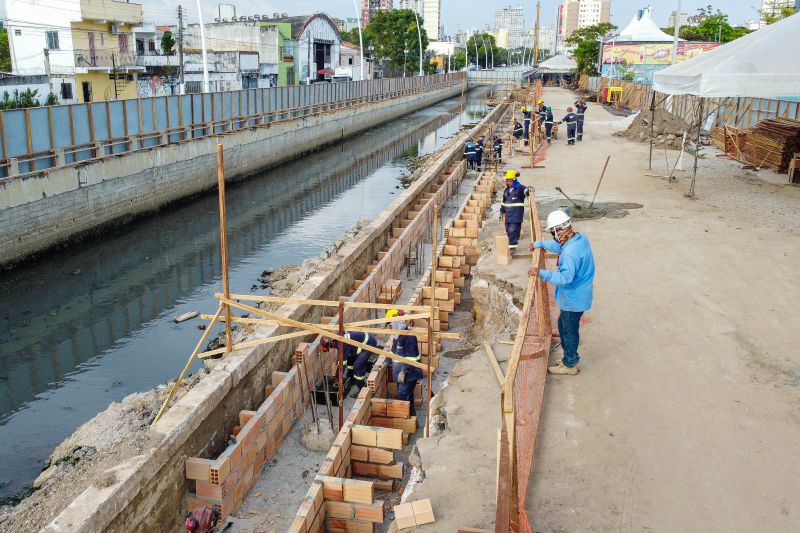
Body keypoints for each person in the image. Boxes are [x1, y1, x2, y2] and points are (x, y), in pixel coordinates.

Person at [528, 210, 595, 375]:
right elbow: (560, 246)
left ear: (559, 230)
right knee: (563, 326)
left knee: (569, 332)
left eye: (553, 232)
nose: (553, 235)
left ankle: (570, 364)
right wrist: (540, 244)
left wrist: (541, 272)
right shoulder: (578, 239)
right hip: (578, 296)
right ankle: (569, 357)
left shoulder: (571, 253)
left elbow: (565, 278)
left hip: (573, 300)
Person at [386, 309, 422, 415]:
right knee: (406, 395)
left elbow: (411, 359)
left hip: (409, 374)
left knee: (404, 396)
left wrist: (403, 371)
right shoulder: (397, 337)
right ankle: (411, 418)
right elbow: (393, 352)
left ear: (396, 322)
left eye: (389, 324)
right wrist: (387, 362)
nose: (389, 327)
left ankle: (407, 420)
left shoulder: (409, 337)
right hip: (401, 375)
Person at [320, 332, 378, 396]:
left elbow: (342, 364)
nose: (332, 348)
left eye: (331, 346)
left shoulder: (342, 344)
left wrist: (338, 377)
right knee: (350, 362)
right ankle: (352, 379)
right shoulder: (338, 337)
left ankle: (362, 388)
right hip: (358, 345)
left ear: (332, 342)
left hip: (369, 344)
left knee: (357, 366)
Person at [500, 169, 531, 253]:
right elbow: (503, 202)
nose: (508, 182)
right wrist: (501, 211)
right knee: (508, 230)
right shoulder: (506, 190)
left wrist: (529, 190)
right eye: (507, 181)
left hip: (516, 214)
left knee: (512, 230)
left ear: (514, 180)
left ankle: (512, 247)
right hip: (508, 214)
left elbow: (526, 191)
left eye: (509, 181)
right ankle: (513, 240)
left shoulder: (520, 188)